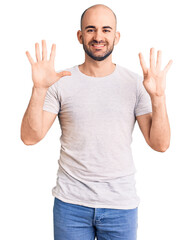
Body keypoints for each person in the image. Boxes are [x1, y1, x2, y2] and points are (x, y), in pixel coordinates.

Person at [20, 4, 172, 240]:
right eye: (90, 30)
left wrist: (158, 98)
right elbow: (30, 137)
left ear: (116, 36)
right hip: (71, 206)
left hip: (120, 205)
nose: (98, 37)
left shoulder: (136, 84)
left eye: (106, 30)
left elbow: (160, 144)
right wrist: (39, 89)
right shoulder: (60, 82)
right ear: (80, 36)